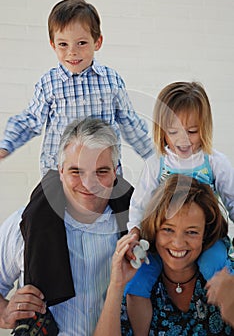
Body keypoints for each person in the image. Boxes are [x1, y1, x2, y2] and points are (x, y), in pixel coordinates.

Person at [0, 118, 134, 336]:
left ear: (116, 172)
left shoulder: (134, 226)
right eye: (76, 171)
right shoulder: (24, 224)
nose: (89, 184)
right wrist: (5, 313)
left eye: (101, 171)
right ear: (60, 171)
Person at [0, 0, 153, 176]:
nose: (72, 51)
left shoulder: (111, 80)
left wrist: (152, 155)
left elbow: (129, 122)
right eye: (63, 44)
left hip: (102, 172)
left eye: (81, 43)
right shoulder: (49, 83)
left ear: (97, 42)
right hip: (59, 174)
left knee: (129, 203)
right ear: (53, 45)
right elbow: (31, 120)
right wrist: (6, 145)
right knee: (39, 205)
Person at [125, 81, 234, 331]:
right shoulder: (157, 164)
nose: (183, 141)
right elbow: (139, 205)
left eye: (192, 131)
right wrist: (135, 234)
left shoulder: (214, 162)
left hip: (205, 238)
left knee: (216, 269)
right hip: (159, 239)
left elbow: (232, 201)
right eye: (173, 132)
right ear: (162, 130)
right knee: (136, 284)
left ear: (205, 128)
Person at [94, 175, 234, 336]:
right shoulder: (137, 284)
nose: (178, 243)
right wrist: (116, 284)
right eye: (168, 229)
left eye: (192, 232)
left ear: (205, 233)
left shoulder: (225, 277)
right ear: (154, 229)